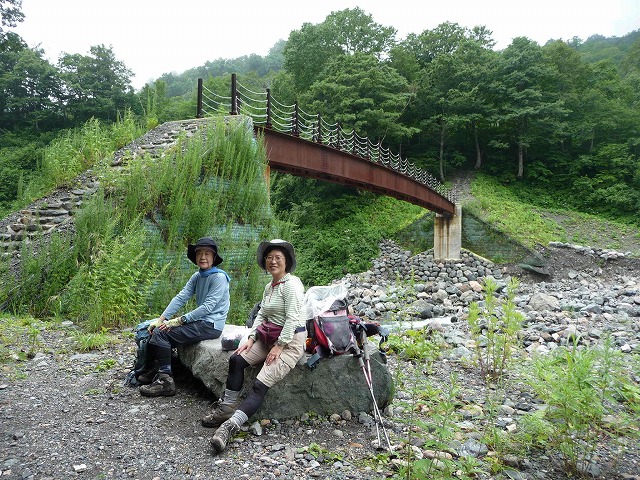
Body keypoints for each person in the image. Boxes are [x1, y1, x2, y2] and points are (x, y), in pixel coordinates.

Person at [203, 239, 306, 454]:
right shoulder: (270, 287)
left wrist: (279, 346)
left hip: (289, 342)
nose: (273, 261)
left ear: (287, 262)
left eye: (278, 258)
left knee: (259, 385)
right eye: (269, 258)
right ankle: (226, 409)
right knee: (236, 359)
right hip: (268, 338)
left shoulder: (292, 285)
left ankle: (229, 427)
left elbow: (293, 318)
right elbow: (261, 315)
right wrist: (251, 337)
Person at [139, 237, 230, 397]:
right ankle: (156, 370)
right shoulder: (197, 276)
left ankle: (165, 382)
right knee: (156, 329)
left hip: (211, 325)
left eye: (207, 254)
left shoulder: (219, 278)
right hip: (201, 322)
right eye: (199, 253)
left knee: (161, 334)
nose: (203, 257)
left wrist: (179, 320)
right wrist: (161, 319)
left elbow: (207, 307)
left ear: (214, 257)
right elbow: (181, 297)